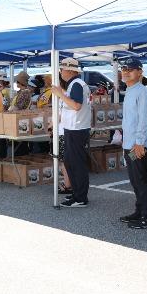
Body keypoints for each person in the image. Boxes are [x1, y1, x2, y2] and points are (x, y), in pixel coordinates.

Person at [118, 58, 147, 229]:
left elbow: (145, 119)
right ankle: (140, 210)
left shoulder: (142, 92)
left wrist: (140, 142)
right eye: (124, 69)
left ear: (140, 72)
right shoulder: (130, 90)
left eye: (131, 69)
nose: (126, 72)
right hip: (130, 144)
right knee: (136, 179)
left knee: (141, 179)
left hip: (138, 145)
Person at [52, 57, 92, 208]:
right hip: (74, 128)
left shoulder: (76, 84)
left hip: (76, 128)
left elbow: (76, 106)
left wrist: (60, 94)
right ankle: (77, 194)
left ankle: (80, 197)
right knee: (71, 162)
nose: (61, 72)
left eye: (62, 69)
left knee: (76, 164)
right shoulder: (76, 84)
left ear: (69, 70)